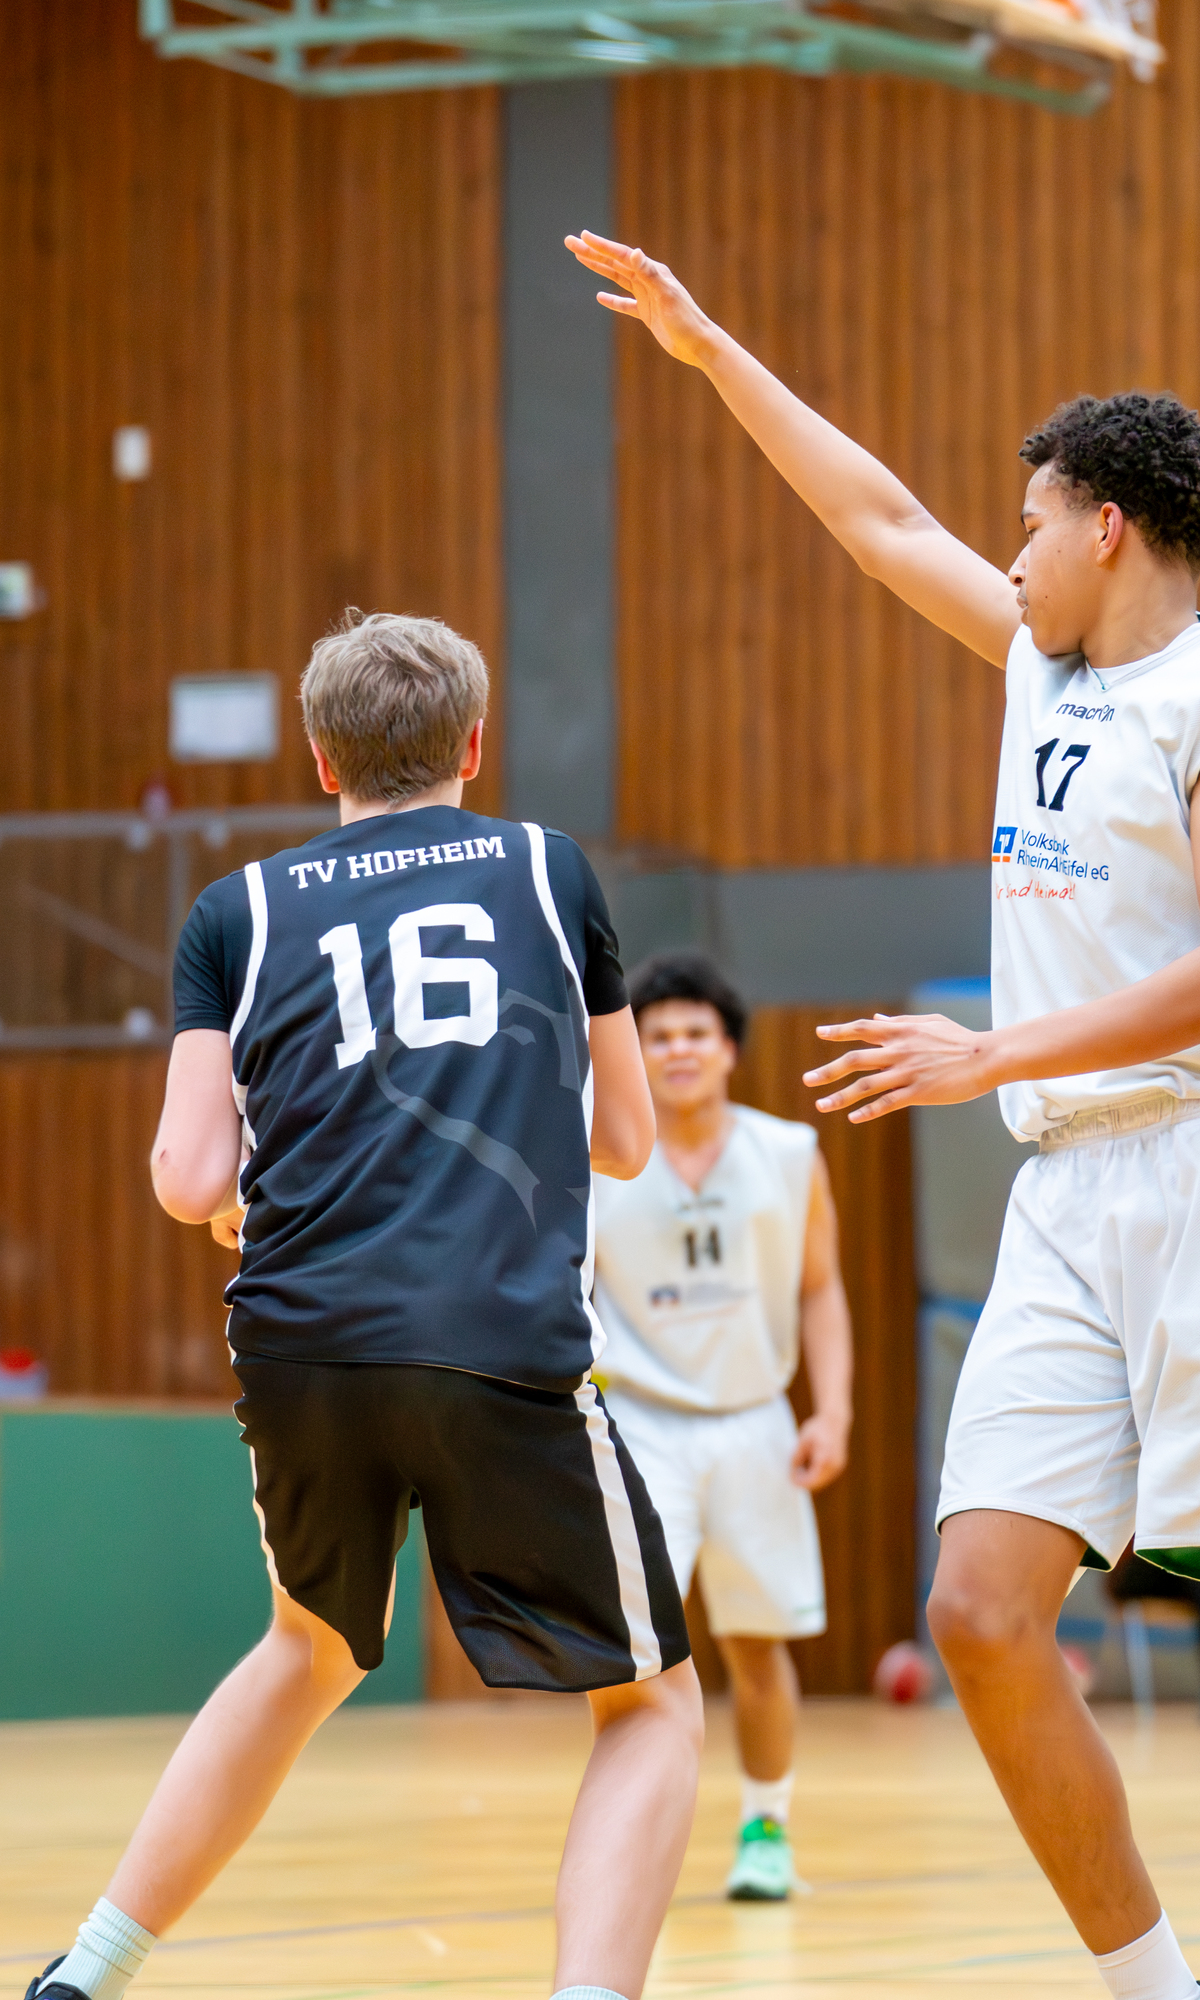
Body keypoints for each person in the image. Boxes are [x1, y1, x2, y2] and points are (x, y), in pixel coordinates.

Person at [566, 227, 1200, 2000]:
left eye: (1029, 523)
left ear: (1107, 528)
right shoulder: (1039, 664)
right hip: (1066, 1192)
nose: (1006, 550)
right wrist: (713, 353)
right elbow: (879, 519)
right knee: (983, 1617)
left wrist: (996, 1051)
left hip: (1184, 1160)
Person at [23, 611, 703, 2000]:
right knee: (649, 1701)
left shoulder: (235, 910)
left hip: (304, 1344)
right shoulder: (548, 869)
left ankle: (87, 1969)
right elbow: (629, 1140)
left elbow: (189, 1177)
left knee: (308, 1646)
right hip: (496, 1336)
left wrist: (253, 1188)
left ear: (320, 757)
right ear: (473, 744)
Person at [592, 951, 851, 1902]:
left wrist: (834, 1411)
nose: (678, 1049)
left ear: (730, 1048)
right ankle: (629, 1845)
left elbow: (821, 1289)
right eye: (657, 1036)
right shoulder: (600, 1159)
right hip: (641, 1425)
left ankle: (766, 1830)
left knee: (757, 1642)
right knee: (633, 1655)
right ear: (636, 1055)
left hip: (754, 1423)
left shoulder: (788, 1153)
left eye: (696, 1032)